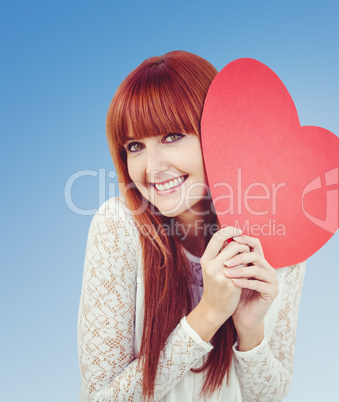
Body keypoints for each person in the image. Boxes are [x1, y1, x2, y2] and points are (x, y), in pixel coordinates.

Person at [77, 50, 306, 401]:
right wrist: (209, 314)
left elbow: (270, 396)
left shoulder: (278, 230)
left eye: (172, 136)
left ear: (216, 131)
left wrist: (250, 330)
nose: (152, 167)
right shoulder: (118, 227)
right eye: (135, 146)